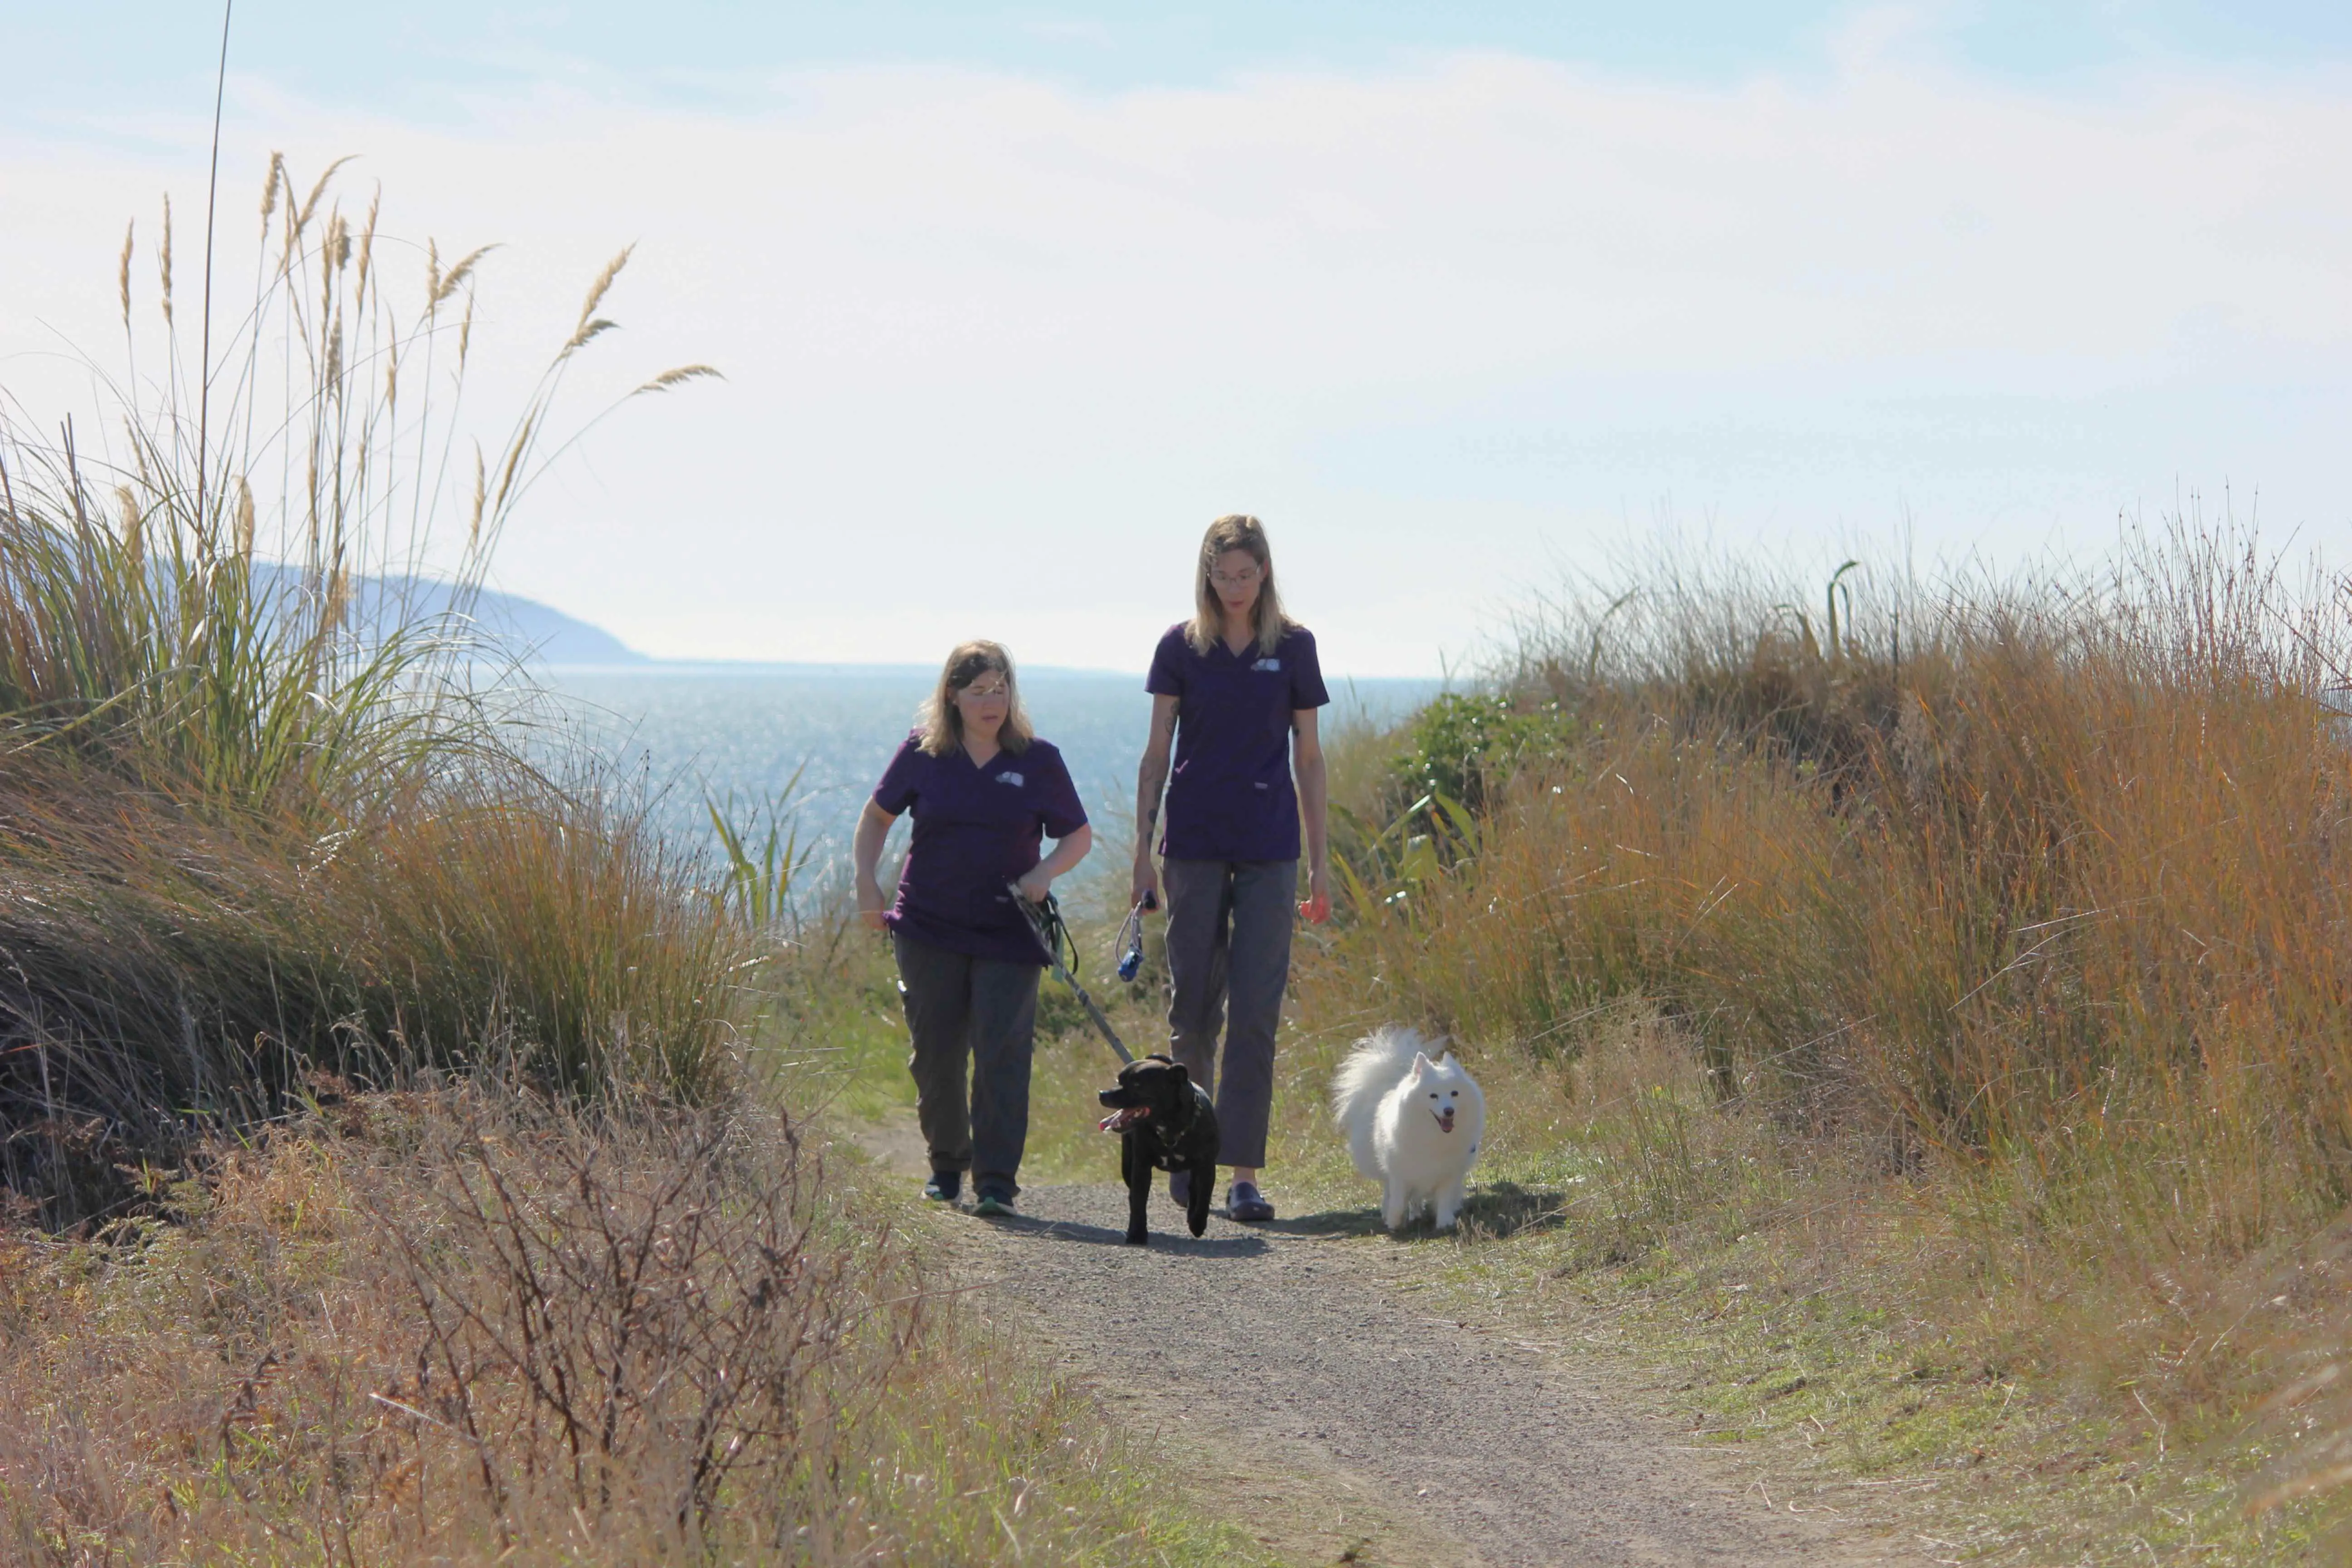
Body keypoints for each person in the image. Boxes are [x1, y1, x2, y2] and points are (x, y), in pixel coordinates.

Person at [1130, 514, 1330, 1224]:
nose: (1236, 587)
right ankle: (1189, 1152)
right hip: (1191, 843)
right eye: (1224, 575)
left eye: (1247, 574)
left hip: (1272, 848)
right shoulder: (1179, 648)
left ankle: (1243, 1175)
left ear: (1265, 572)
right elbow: (1156, 755)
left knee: (1255, 1013)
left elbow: (1309, 760)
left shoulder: (1296, 647)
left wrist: (1320, 868)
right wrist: (1139, 861)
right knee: (1191, 1012)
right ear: (1206, 575)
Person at [854, 641, 1092, 1216]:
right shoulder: (922, 754)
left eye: (1001, 688)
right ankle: (946, 1167)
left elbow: (1077, 837)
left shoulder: (1038, 759)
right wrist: (867, 881)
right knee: (935, 1054)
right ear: (952, 696)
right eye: (979, 690)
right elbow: (876, 818)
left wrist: (1043, 872)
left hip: (1010, 931)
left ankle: (995, 1183)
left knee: (1001, 1055)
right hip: (927, 926)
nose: (992, 701)